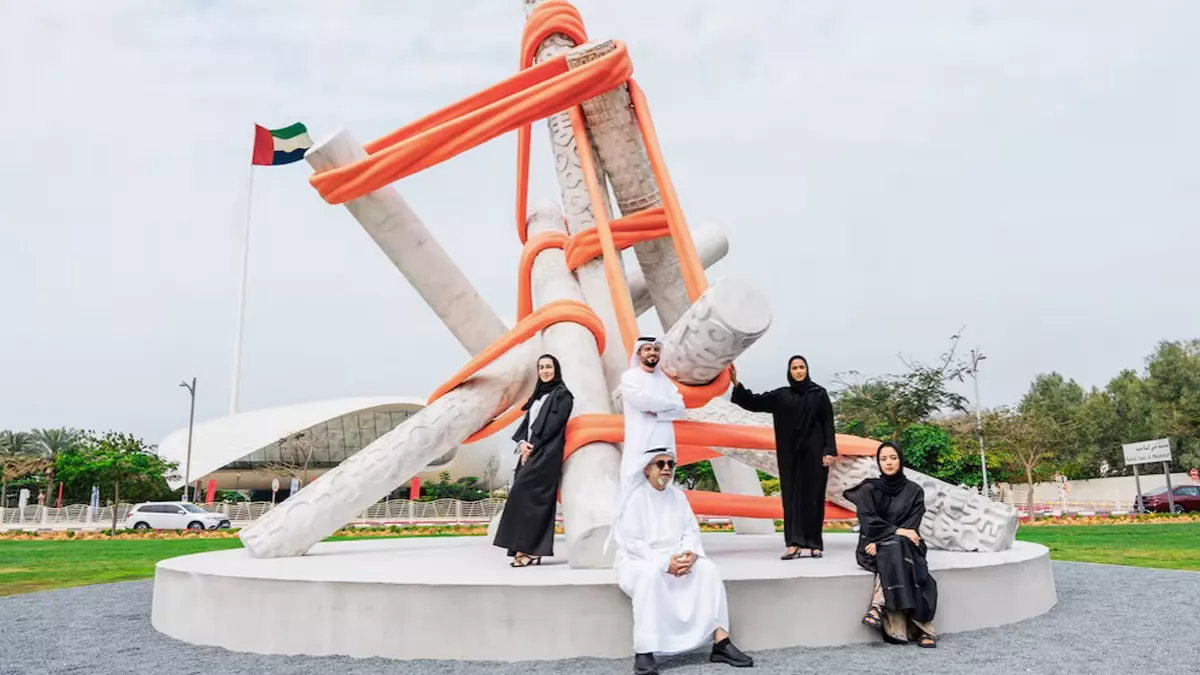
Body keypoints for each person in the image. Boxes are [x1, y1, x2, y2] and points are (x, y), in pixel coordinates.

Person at [614, 446, 755, 674]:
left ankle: (721, 642)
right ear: (647, 469)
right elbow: (632, 542)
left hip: (677, 556)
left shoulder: (678, 496)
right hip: (640, 561)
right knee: (650, 576)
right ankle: (645, 650)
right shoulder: (633, 499)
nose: (667, 469)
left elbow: (690, 529)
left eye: (671, 464)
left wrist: (689, 553)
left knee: (707, 569)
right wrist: (663, 564)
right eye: (661, 464)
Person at [729, 355, 836, 559]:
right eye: (794, 367)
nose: (798, 371)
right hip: (790, 456)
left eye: (801, 367)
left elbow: (828, 423)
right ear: (789, 371)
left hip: (814, 455)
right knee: (791, 498)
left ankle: (814, 544)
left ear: (807, 369)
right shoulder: (781, 396)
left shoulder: (819, 394)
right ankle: (793, 544)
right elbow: (753, 401)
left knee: (813, 498)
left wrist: (829, 450)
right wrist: (735, 382)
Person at [843, 442, 938, 647]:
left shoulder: (914, 491)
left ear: (901, 460)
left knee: (896, 549)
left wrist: (886, 542)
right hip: (871, 545)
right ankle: (925, 629)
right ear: (878, 462)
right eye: (883, 458)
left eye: (893, 458)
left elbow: (911, 529)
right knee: (895, 551)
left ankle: (878, 606)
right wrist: (890, 536)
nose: (888, 462)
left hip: (903, 546)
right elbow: (868, 521)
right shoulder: (868, 489)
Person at [493, 354, 574, 567]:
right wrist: (522, 444)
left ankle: (531, 550)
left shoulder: (563, 395)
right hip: (528, 453)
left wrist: (532, 447)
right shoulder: (538, 396)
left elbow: (554, 425)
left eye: (549, 367)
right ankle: (522, 548)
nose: (545, 371)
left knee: (536, 502)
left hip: (546, 454)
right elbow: (526, 426)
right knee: (520, 499)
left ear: (556, 370)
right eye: (542, 367)